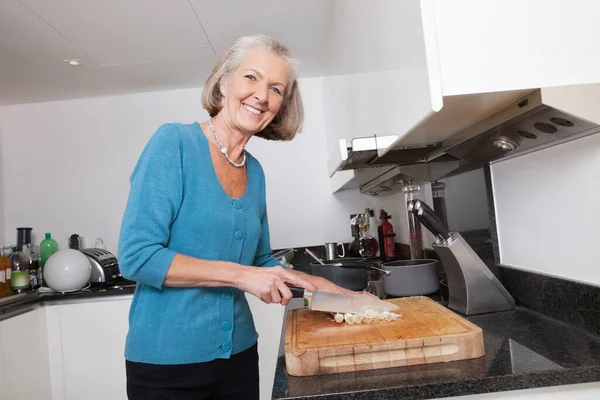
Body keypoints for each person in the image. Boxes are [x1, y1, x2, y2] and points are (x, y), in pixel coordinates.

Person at [118, 34, 356, 400]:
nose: (262, 95)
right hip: (167, 366)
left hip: (240, 358)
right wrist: (243, 276)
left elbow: (259, 260)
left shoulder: (255, 171)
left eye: (276, 88)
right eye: (251, 78)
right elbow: (137, 256)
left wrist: (312, 284)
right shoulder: (174, 144)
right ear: (224, 82)